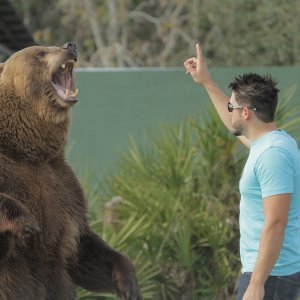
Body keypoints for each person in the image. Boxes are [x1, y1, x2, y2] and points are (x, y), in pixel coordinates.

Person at [184, 44, 300, 300]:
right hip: (270, 274)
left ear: (245, 113)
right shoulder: (270, 144)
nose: (229, 110)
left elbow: (276, 222)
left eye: (232, 107)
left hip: (272, 277)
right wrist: (207, 82)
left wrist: (257, 284)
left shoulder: (272, 155)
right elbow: (233, 125)